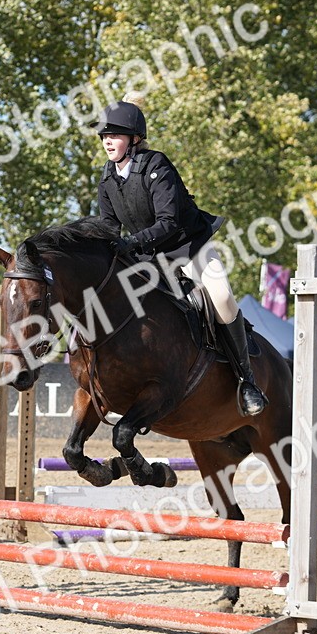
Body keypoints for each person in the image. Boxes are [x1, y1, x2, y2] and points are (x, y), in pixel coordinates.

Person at [93, 96, 267, 416]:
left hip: (187, 247)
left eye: (114, 135)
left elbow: (169, 222)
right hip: (148, 256)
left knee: (223, 297)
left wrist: (131, 243)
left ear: (134, 139)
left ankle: (247, 380)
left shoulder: (157, 165)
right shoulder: (107, 178)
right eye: (104, 136)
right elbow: (107, 224)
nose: (107, 141)